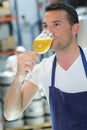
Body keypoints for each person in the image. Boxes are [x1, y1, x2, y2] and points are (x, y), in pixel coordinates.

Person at [4, 2, 87, 130]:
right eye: (45, 26)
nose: (49, 32)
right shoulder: (42, 69)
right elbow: (10, 114)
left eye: (56, 24)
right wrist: (18, 78)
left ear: (75, 29)